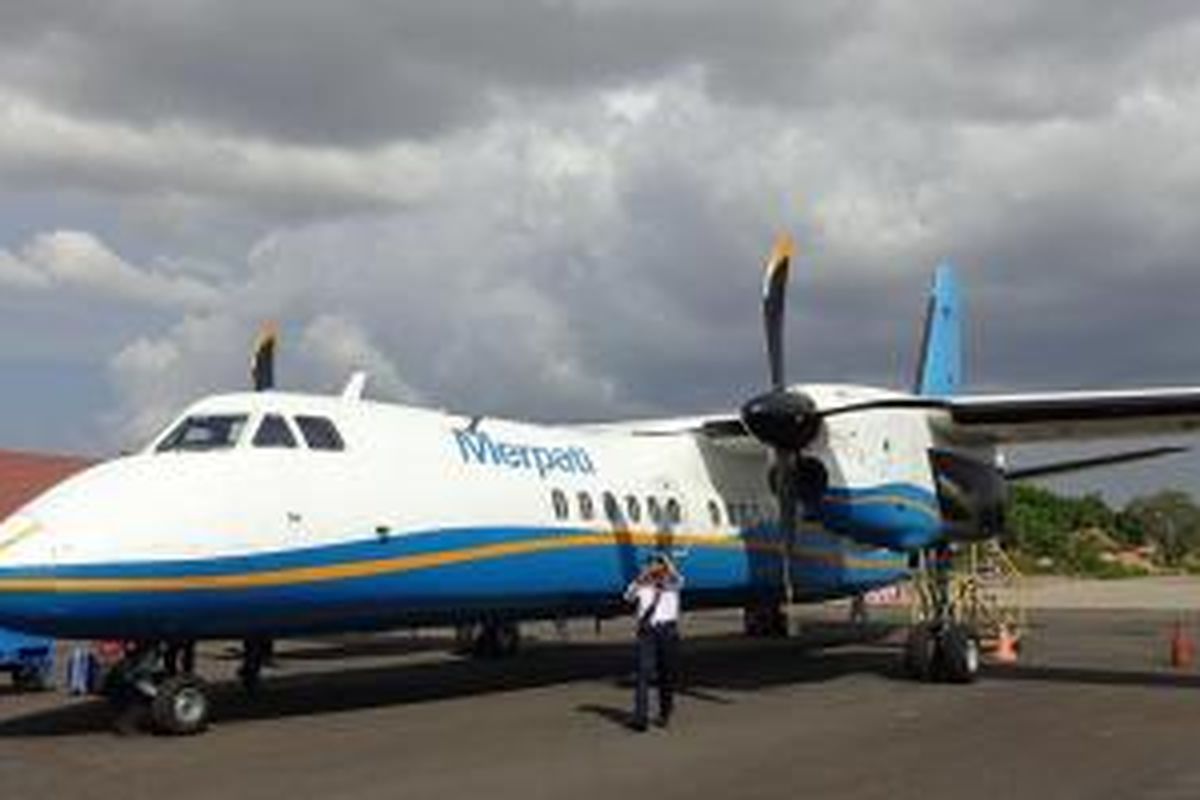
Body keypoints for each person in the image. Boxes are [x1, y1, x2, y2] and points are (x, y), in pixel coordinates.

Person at [623, 552, 683, 731]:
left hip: (668, 632)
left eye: (655, 564)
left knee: (666, 675)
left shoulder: (671, 583)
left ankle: (665, 713)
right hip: (647, 633)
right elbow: (628, 596)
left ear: (663, 567)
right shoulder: (642, 585)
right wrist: (641, 578)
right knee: (643, 674)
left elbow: (678, 579)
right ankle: (640, 718)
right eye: (649, 564)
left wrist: (667, 562)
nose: (651, 567)